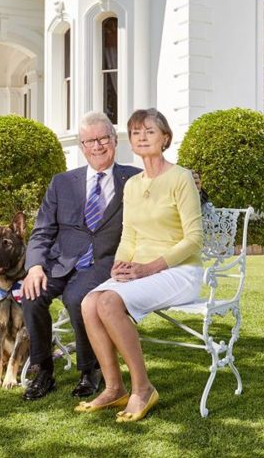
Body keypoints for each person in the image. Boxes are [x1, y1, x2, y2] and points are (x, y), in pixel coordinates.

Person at [78, 108, 204, 422]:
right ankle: (114, 387)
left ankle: (143, 388)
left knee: (107, 302)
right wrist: (119, 265)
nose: (142, 137)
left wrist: (150, 268)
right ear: (130, 142)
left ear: (165, 138)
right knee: (89, 303)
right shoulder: (132, 185)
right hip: (140, 271)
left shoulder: (181, 178)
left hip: (180, 271)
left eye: (150, 131)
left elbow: (194, 239)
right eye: (136, 132)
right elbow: (130, 235)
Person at [21, 112, 141, 401]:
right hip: (61, 261)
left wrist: (196, 187)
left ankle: (91, 370)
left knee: (77, 298)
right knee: (31, 295)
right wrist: (35, 266)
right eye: (90, 141)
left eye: (103, 139)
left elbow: (172, 194)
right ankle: (44, 371)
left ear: (114, 140)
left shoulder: (136, 178)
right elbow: (42, 230)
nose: (97, 146)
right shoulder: (62, 183)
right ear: (81, 146)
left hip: (104, 262)